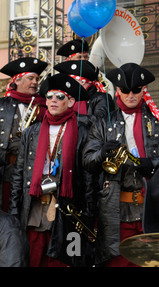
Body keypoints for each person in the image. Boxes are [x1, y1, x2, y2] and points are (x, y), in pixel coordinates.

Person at [82, 62, 159, 266]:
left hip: (153, 205)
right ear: (118, 91)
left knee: (154, 261)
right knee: (118, 261)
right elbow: (87, 160)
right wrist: (102, 154)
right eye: (126, 90)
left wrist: (154, 163)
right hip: (116, 209)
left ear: (143, 90)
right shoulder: (104, 122)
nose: (131, 95)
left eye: (136, 90)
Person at [8, 73, 95, 267]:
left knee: (62, 262)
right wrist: (14, 211)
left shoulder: (83, 131)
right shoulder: (32, 131)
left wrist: (89, 215)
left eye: (60, 96)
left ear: (71, 101)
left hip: (67, 211)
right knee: (32, 260)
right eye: (49, 96)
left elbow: (89, 178)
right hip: (35, 211)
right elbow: (19, 174)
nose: (53, 100)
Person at [0, 57, 48, 212]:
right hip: (6, 173)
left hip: (32, 174)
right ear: (17, 81)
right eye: (30, 78)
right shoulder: (3, 105)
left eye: (37, 79)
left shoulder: (44, 106)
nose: (35, 82)